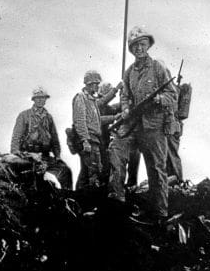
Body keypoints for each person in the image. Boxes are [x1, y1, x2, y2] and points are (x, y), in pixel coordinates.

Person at [108, 26, 178, 224]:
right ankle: (117, 201)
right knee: (116, 150)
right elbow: (125, 95)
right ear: (131, 49)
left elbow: (173, 96)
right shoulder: (129, 72)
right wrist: (126, 108)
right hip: (133, 125)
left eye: (142, 44)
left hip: (154, 126)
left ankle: (159, 213)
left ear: (148, 45)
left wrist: (158, 100)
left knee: (156, 168)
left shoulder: (158, 67)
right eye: (135, 45)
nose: (139, 48)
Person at [11, 86, 72, 189]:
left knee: (65, 171)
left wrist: (57, 156)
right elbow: (16, 135)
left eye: (43, 98)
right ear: (33, 100)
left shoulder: (48, 117)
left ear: (45, 100)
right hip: (28, 155)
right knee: (34, 178)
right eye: (38, 98)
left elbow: (54, 139)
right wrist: (15, 151)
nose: (40, 100)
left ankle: (67, 198)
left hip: (45, 156)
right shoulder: (24, 115)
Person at [73, 70, 113, 190]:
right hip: (89, 139)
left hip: (94, 139)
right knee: (92, 170)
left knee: (90, 170)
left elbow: (97, 121)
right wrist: (85, 140)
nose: (97, 86)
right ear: (89, 84)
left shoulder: (91, 100)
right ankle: (84, 197)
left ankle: (81, 196)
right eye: (95, 83)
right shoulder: (81, 98)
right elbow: (80, 120)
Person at [97, 81, 140, 186]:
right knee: (104, 166)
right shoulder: (95, 106)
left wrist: (125, 99)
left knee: (132, 156)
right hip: (99, 141)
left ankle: (129, 184)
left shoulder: (107, 108)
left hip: (106, 140)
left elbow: (118, 107)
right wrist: (114, 117)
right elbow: (98, 119)